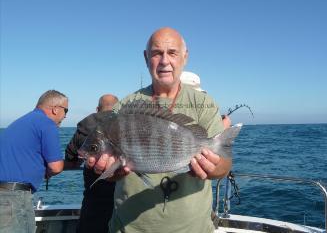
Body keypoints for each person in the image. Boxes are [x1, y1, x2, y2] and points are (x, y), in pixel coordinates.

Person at [87, 27, 232, 233]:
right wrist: (111, 173)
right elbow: (112, 174)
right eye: (157, 53)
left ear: (185, 56)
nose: (165, 61)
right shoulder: (125, 107)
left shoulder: (204, 104)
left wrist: (212, 168)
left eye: (172, 52)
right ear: (146, 58)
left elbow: (224, 166)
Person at [0, 90, 67, 233]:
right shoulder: (47, 124)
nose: (65, 116)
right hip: (13, 197)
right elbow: (56, 166)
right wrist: (48, 172)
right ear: (56, 109)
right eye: (65, 110)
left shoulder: (23, 121)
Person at [64, 94, 118, 233]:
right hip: (121, 198)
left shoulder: (84, 128)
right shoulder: (122, 125)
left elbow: (71, 159)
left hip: (93, 198)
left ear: (97, 108)